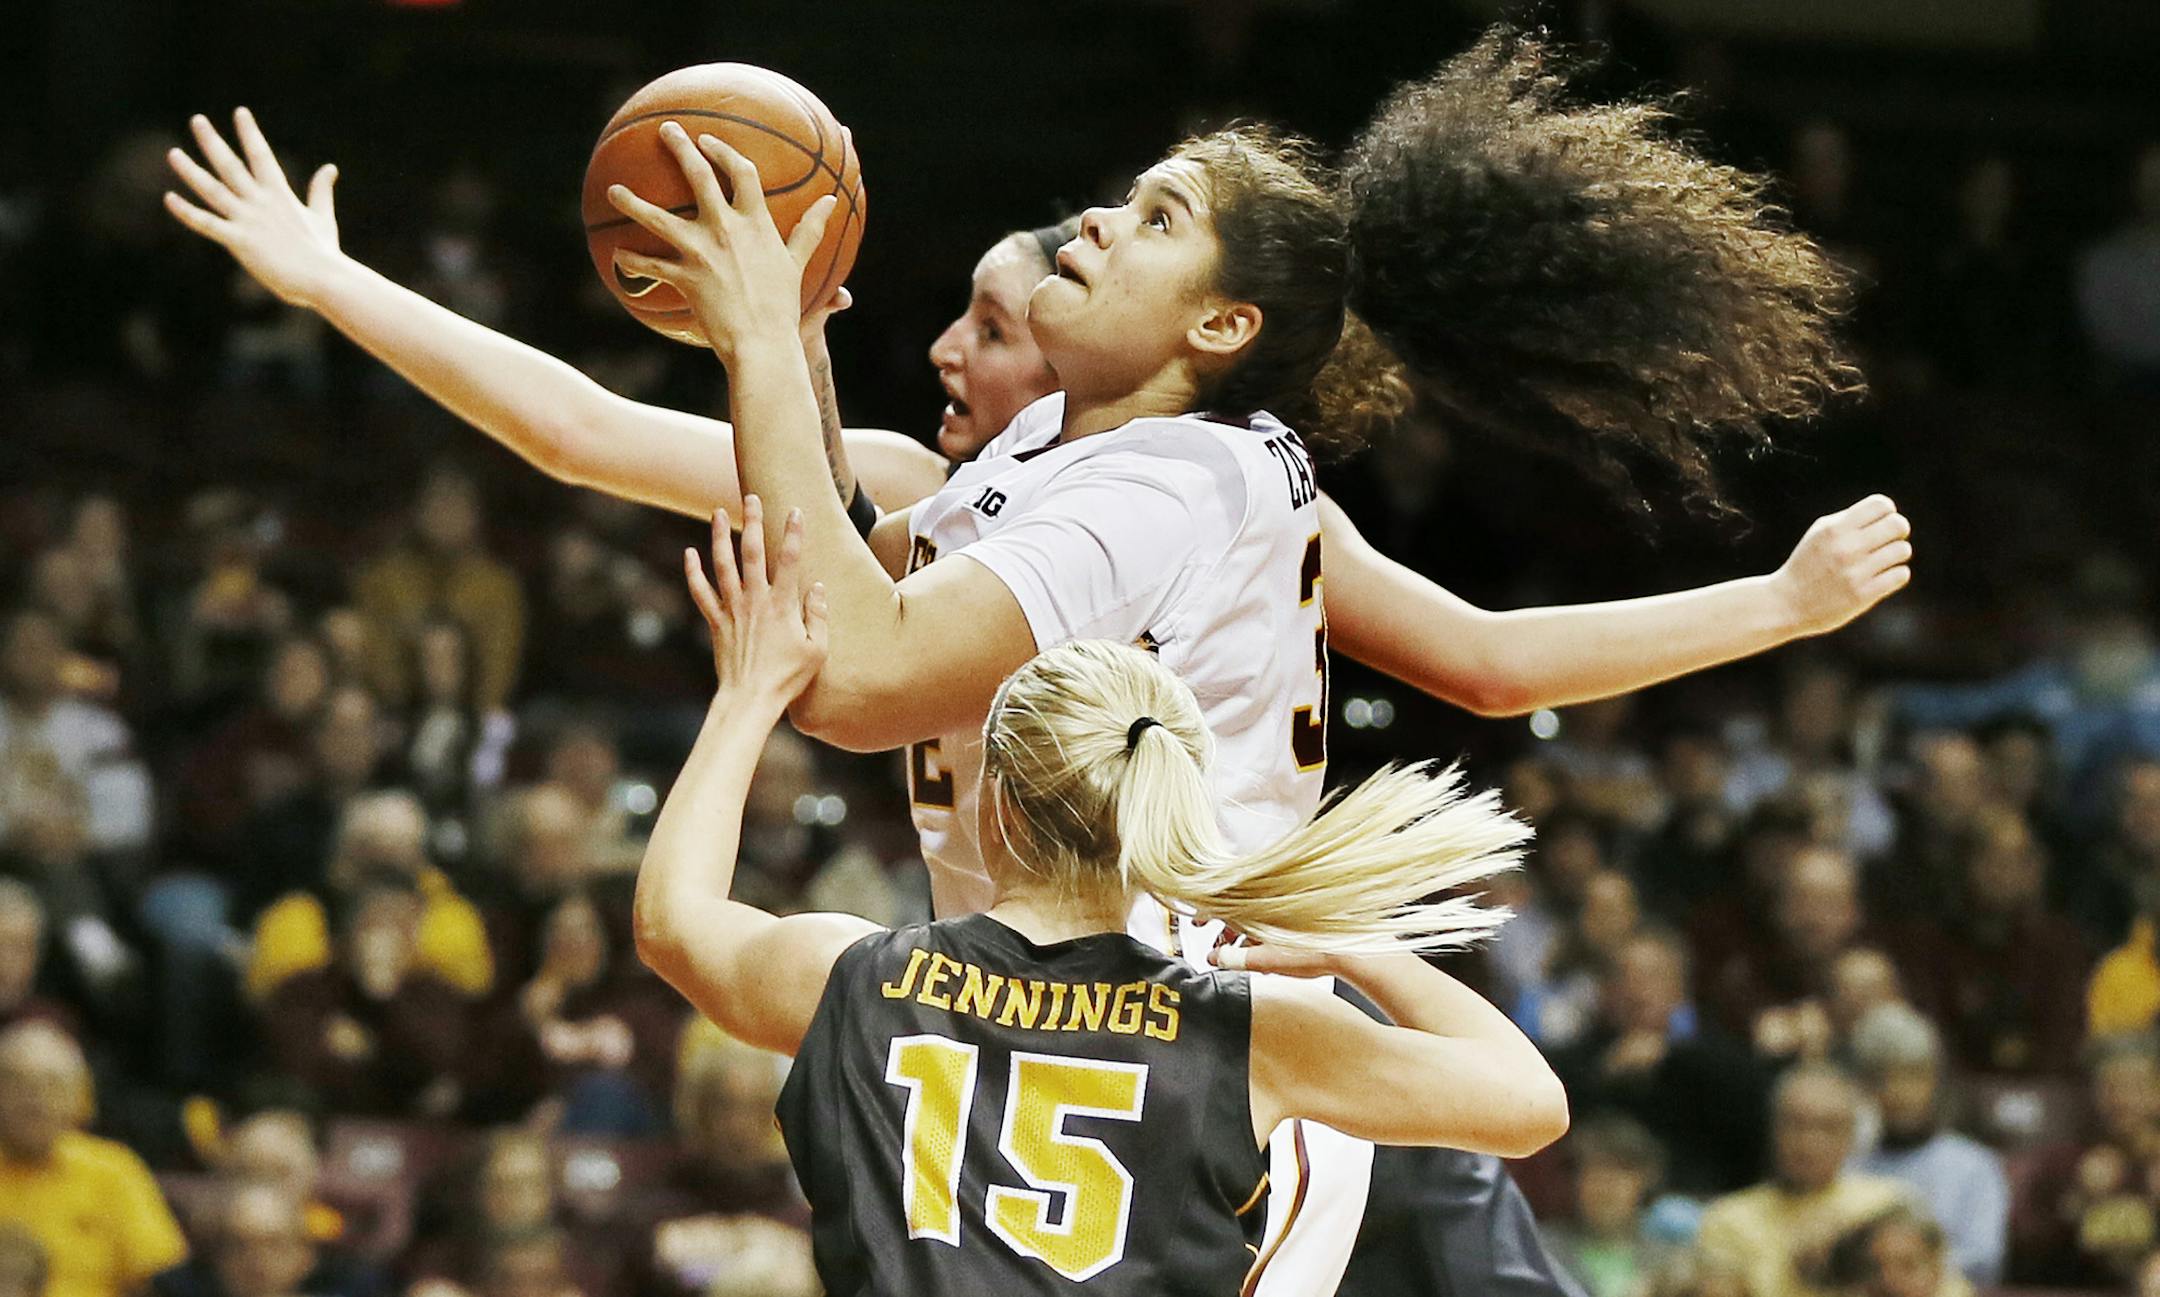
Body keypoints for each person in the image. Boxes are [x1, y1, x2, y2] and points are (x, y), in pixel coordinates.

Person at [168, 31, 1896, 1293]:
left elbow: (853, 671)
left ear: (1218, 329)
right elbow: (587, 432)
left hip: (1209, 1063)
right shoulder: (995, 486)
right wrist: (332, 282)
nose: (1077, 239)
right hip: (1092, 1040)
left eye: (1142, 222)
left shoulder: (1181, 478)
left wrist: (772, 336)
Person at [630, 502, 1566, 1293]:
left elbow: (673, 918)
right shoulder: (1248, 1032)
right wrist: (1356, 949)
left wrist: (749, 693)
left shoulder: (854, 978)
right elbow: (1530, 1102)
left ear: (990, 800)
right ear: (1162, 810)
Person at [0, 1022, 188, 1297]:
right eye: (16, 1082)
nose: (35, 1099)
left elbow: (159, 1278)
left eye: (52, 1084)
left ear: (79, 1097)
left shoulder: (114, 1169)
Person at [1695, 1065, 1910, 1297]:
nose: (1809, 1143)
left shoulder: (1887, 1206)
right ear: (1774, 1129)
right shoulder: (1727, 1220)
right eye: (1796, 1124)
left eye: (1828, 1127)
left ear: (1851, 1136)